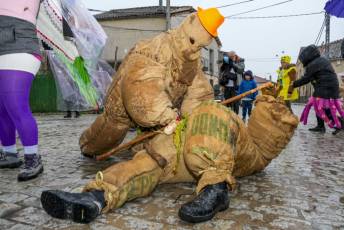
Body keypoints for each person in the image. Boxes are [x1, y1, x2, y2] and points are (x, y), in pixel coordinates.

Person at [40, 95, 299, 224]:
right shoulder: (181, 67)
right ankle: (96, 198)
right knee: (147, 162)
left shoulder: (251, 146)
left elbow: (204, 103)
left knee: (212, 110)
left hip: (218, 148)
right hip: (184, 142)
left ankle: (216, 188)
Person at [79, 8, 225, 156]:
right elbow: (142, 87)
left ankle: (140, 149)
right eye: (193, 42)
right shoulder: (158, 48)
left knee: (156, 142)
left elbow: (199, 92)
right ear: (191, 24)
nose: (194, 48)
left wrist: (193, 119)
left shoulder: (192, 61)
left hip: (164, 106)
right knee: (108, 135)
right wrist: (167, 116)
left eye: (200, 46)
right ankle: (87, 147)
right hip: (124, 102)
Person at [0, 0, 44, 181]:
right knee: (2, 109)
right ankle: (9, 154)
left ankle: (33, 157)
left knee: (15, 104)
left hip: (19, 43)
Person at [289, 44, 344, 135]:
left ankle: (339, 124)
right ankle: (321, 126)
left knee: (324, 108)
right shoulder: (322, 60)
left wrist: (294, 84)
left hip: (325, 88)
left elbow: (305, 79)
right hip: (330, 87)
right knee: (319, 106)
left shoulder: (313, 64)